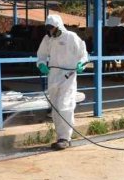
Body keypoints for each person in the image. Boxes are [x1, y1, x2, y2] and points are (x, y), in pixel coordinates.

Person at [36, 14, 89, 149]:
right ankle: (60, 137)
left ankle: (66, 137)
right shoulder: (48, 39)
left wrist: (82, 64)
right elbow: (41, 54)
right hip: (53, 76)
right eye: (48, 28)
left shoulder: (71, 37)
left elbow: (83, 54)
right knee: (55, 108)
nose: (50, 31)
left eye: (52, 28)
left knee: (65, 106)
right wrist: (41, 64)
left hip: (68, 76)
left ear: (58, 26)